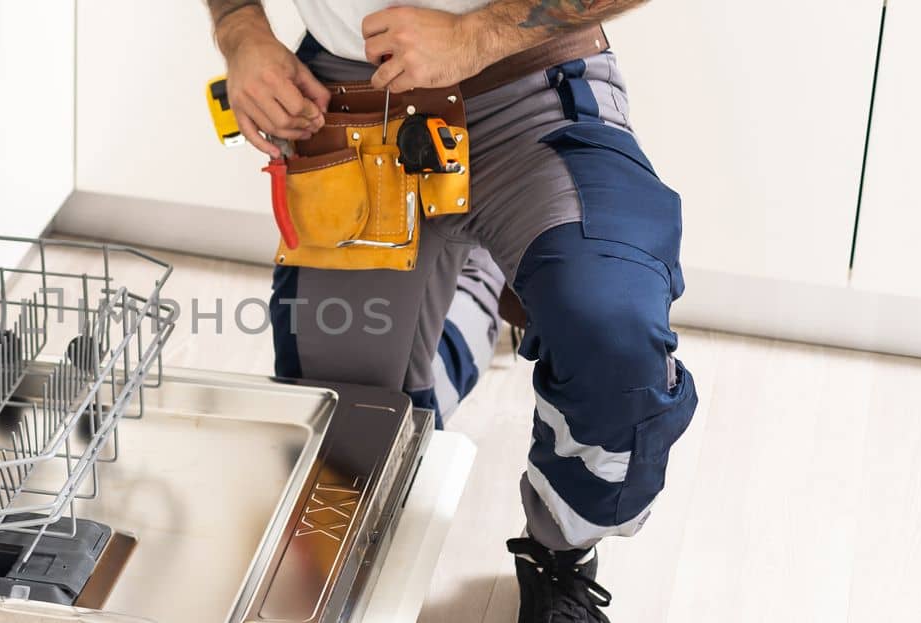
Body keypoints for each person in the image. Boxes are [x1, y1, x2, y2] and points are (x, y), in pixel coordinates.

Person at [207, 1, 698, 621]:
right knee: (348, 457)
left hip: (526, 83)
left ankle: (560, 556)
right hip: (354, 103)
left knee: (612, 338)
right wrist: (241, 32)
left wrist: (476, 33)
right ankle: (475, 293)